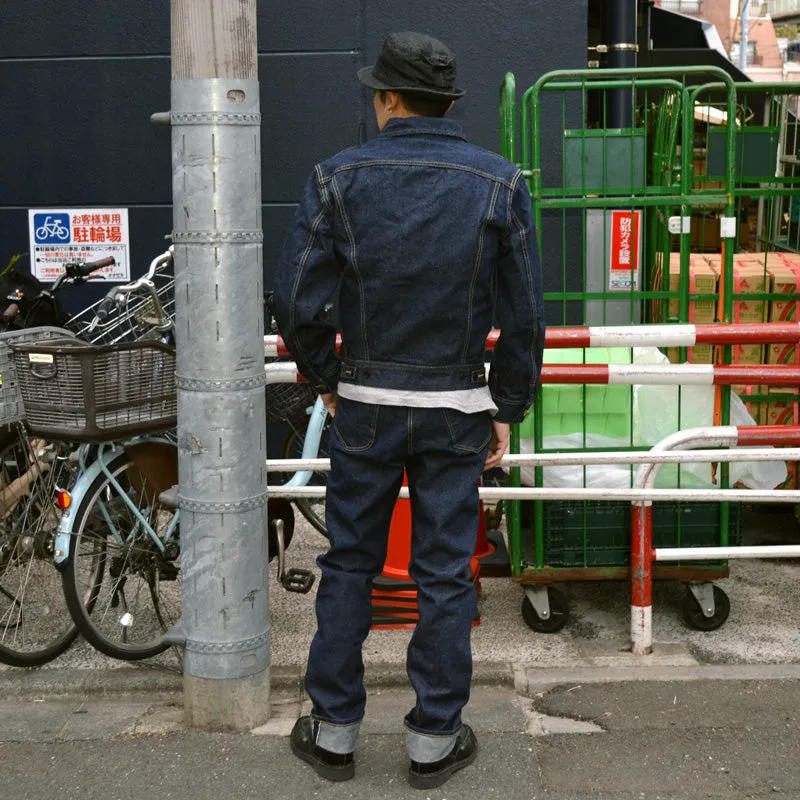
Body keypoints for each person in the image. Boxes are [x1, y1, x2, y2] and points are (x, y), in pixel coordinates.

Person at [274, 31, 544, 790]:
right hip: (458, 403)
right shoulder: (498, 182)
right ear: (450, 103)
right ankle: (433, 739)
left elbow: (295, 298)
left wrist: (329, 375)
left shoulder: (338, 176)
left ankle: (333, 733)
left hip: (365, 404)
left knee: (351, 563)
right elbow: (525, 316)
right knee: (446, 571)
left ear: (388, 100)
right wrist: (507, 403)